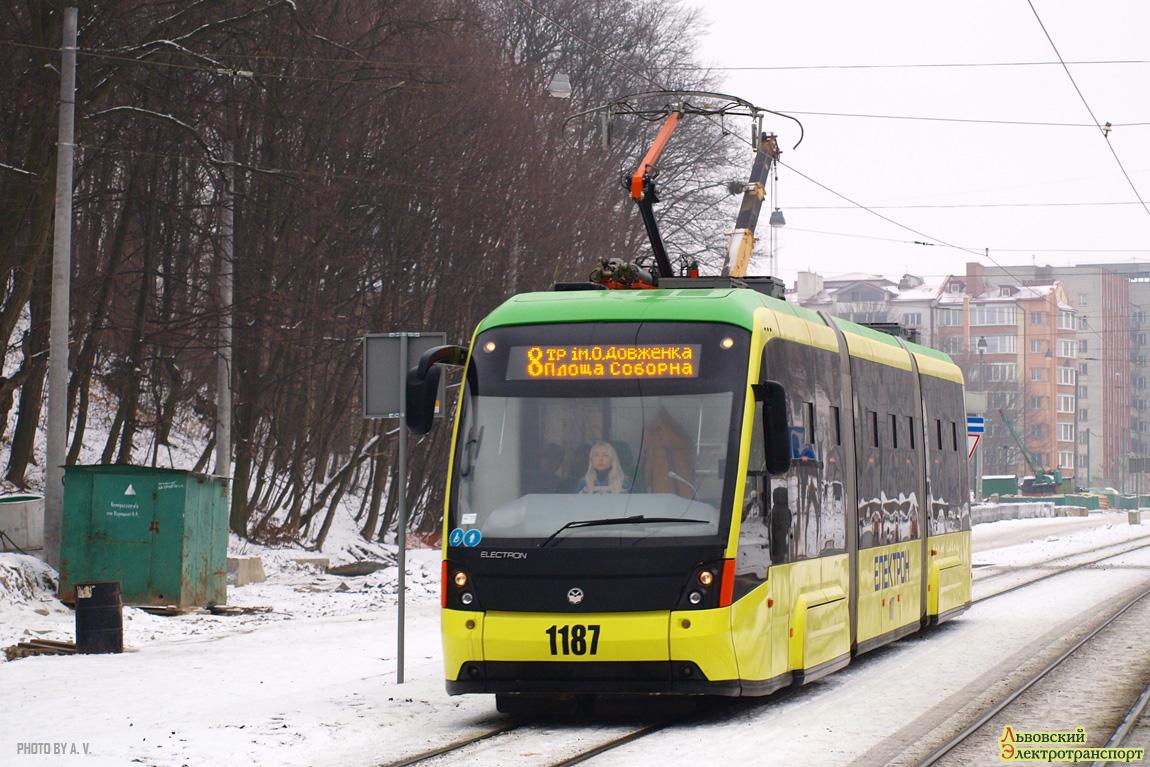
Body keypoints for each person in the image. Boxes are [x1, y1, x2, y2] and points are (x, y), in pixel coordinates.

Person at [769, 485, 791, 564]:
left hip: (774, 545)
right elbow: (787, 528)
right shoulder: (786, 510)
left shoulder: (774, 509)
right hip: (781, 546)